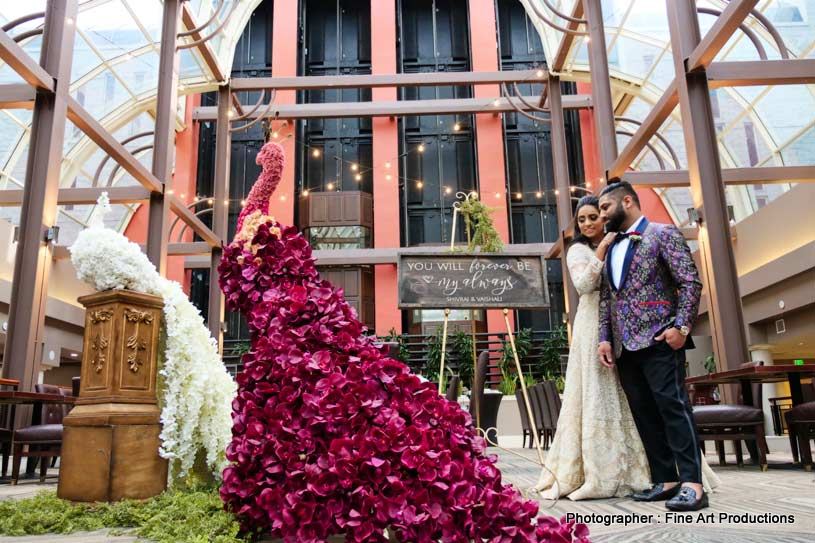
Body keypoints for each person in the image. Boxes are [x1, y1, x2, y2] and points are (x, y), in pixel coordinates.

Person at [597, 180, 714, 512]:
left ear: (628, 202)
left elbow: (689, 281)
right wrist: (604, 338)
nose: (602, 213)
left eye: (606, 207)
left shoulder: (663, 233)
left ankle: (693, 484)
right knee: (645, 414)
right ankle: (666, 480)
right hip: (624, 348)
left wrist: (682, 326)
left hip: (661, 338)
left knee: (673, 408)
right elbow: (608, 298)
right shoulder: (612, 247)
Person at [534, 195, 651, 500]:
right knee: (598, 389)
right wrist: (601, 250)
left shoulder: (624, 241)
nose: (586, 223)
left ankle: (643, 465)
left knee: (627, 391)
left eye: (592, 217)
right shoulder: (577, 250)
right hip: (590, 327)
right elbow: (584, 285)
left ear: (604, 217)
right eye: (581, 219)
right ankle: (598, 469)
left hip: (621, 322)